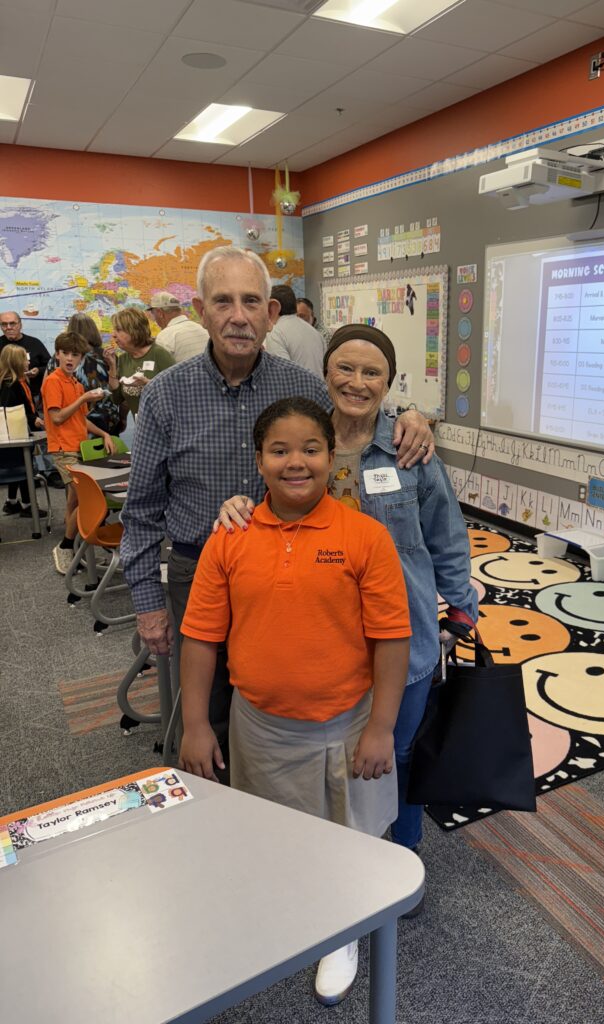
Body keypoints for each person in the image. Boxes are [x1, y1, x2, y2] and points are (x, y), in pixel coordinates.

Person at [119, 245, 430, 762]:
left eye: (250, 302)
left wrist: (412, 416)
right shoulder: (166, 395)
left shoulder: (304, 388)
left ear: (270, 314)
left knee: (289, 704)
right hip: (199, 567)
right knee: (204, 718)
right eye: (223, 302)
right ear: (201, 311)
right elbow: (142, 508)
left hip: (296, 568)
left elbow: (363, 409)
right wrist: (148, 603)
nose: (237, 316)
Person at [217, 323, 477, 918]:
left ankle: (402, 853)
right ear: (326, 372)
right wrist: (233, 505)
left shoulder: (411, 447)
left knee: (398, 749)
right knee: (324, 755)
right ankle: (325, 858)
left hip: (401, 635)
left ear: (389, 383)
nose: (357, 383)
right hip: (316, 634)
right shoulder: (301, 436)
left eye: (373, 373)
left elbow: (446, 535)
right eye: (346, 369)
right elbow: (263, 496)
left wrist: (461, 604)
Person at [180, 397, 411, 1007]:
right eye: (279, 450)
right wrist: (197, 721)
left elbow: (392, 637)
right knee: (273, 835)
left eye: (310, 448)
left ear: (331, 456)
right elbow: (201, 635)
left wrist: (382, 728)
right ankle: (290, 913)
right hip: (261, 725)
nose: (295, 462)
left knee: (351, 832)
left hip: (349, 720)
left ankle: (343, 929)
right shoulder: (229, 539)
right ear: (258, 461)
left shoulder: (365, 536)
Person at [42, 330, 117, 573]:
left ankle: (76, 548)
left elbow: (81, 420)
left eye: (76, 355)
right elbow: (57, 417)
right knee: (88, 499)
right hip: (64, 450)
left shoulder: (74, 382)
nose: (70, 358)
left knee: (75, 500)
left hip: (78, 447)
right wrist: (84, 398)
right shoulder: (54, 381)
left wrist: (104, 433)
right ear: (57, 354)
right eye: (65, 353)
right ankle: (64, 547)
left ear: (82, 358)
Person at [43, 314, 120, 436]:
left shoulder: (57, 358)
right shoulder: (106, 356)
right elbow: (117, 389)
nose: (71, 358)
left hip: (70, 422)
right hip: (105, 420)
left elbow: (45, 392)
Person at [104, 306, 175, 421]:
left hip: (166, 426)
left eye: (118, 330)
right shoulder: (123, 359)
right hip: (142, 429)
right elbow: (116, 399)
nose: (113, 335)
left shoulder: (159, 354)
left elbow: (177, 392)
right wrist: (112, 366)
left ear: (133, 330)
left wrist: (148, 383)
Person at [0, 343, 44, 517]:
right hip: (16, 434)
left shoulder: (18, 381)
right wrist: (34, 420)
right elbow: (14, 411)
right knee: (25, 467)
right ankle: (27, 505)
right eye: (24, 360)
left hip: (18, 432)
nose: (28, 362)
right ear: (16, 362)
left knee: (16, 466)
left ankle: (11, 502)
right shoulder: (10, 385)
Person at [265, 284, 325, 377]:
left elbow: (281, 375)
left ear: (273, 307)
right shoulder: (315, 333)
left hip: (296, 390)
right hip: (319, 389)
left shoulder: (275, 333)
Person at [0, 311, 50, 403]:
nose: (8, 328)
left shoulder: (34, 343)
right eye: (4, 324)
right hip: (6, 398)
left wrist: (38, 371)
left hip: (34, 396)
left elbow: (50, 366)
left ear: (20, 324)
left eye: (12, 323)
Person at [147, 291, 208, 362]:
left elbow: (161, 369)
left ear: (160, 313)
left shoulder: (165, 336)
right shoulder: (203, 329)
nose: (154, 318)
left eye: (152, 313)